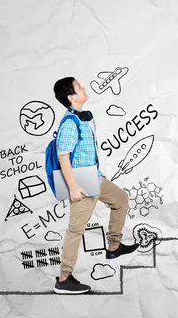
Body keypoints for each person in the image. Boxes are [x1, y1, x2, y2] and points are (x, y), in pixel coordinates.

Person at [52, 77, 139, 294]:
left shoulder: (80, 119)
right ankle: (64, 279)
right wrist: (73, 187)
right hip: (81, 183)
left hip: (93, 176)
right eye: (79, 87)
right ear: (71, 97)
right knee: (76, 230)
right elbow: (63, 157)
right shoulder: (70, 124)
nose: (84, 89)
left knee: (120, 199)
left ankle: (114, 246)